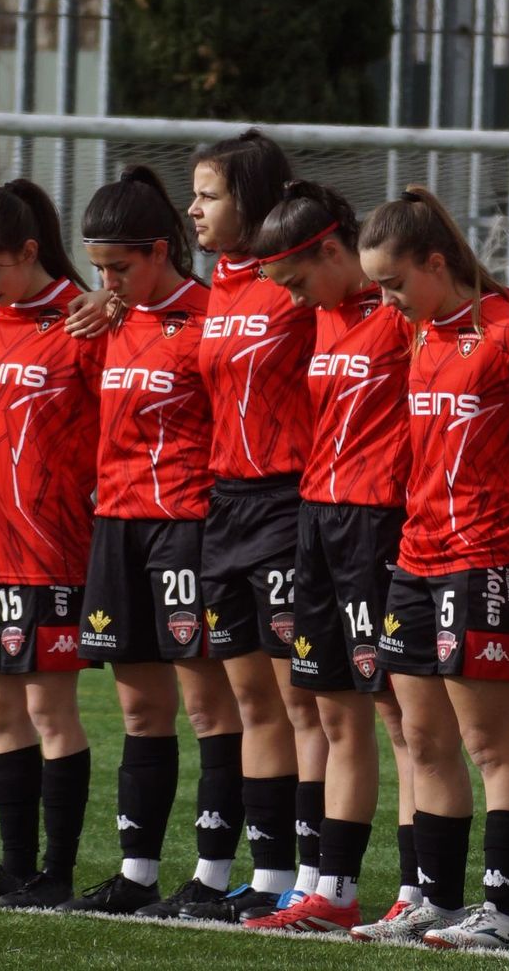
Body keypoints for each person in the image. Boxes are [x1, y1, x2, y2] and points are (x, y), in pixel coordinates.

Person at [357, 185, 509, 951]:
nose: (388, 300)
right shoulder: (421, 332)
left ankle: (502, 912)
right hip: (414, 557)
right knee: (422, 739)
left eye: (396, 283)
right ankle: (434, 900)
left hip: (485, 559)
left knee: (489, 743)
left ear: (437, 263)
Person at [143, 130, 323, 923]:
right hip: (226, 505)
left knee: (300, 704)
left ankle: (317, 878)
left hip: (287, 504)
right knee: (252, 703)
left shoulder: (299, 286)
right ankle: (268, 872)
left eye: (209, 194)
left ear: (249, 200)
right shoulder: (220, 284)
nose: (194, 209)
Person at [237, 181, 415, 934]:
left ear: (336, 251)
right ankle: (331, 888)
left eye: (300, 282)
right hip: (317, 519)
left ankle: (419, 889)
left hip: (379, 524)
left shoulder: (403, 312)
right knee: (330, 711)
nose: (297, 301)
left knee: (401, 718)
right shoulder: (326, 319)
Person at [57, 166, 221, 915]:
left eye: (120, 266)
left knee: (209, 709)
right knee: (138, 712)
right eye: (98, 267)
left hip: (187, 527)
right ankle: (137, 874)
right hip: (116, 527)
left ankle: (215, 878)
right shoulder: (107, 321)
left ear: (162, 250)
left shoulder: (213, 320)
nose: (108, 280)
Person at [0, 179, 104, 910]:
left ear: (29, 251)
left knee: (49, 713)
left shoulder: (86, 321)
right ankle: (12, 867)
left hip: (51, 548)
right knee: (0, 714)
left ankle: (58, 871)